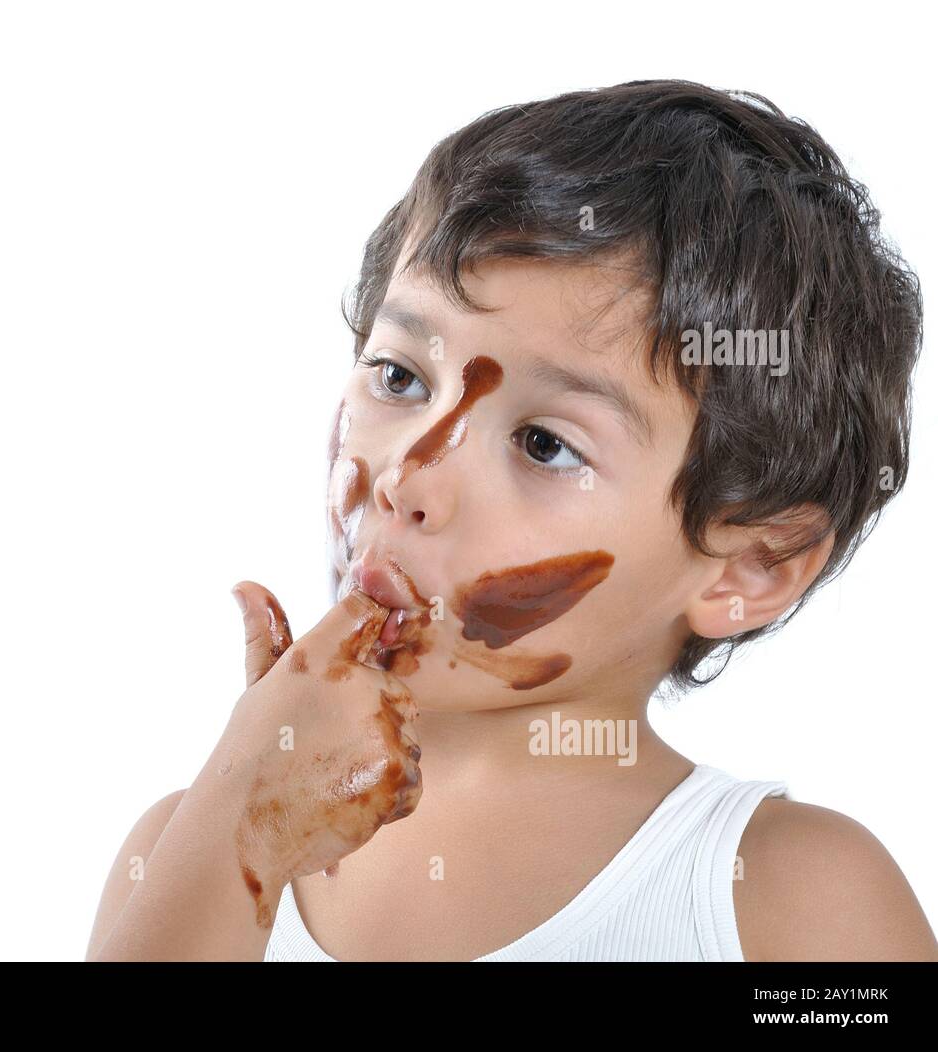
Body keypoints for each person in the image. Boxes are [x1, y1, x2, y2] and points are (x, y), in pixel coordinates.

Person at [86, 79, 938, 961]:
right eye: (400, 377)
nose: (409, 477)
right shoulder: (179, 859)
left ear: (748, 569)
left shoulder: (791, 903)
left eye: (542, 443)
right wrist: (236, 832)